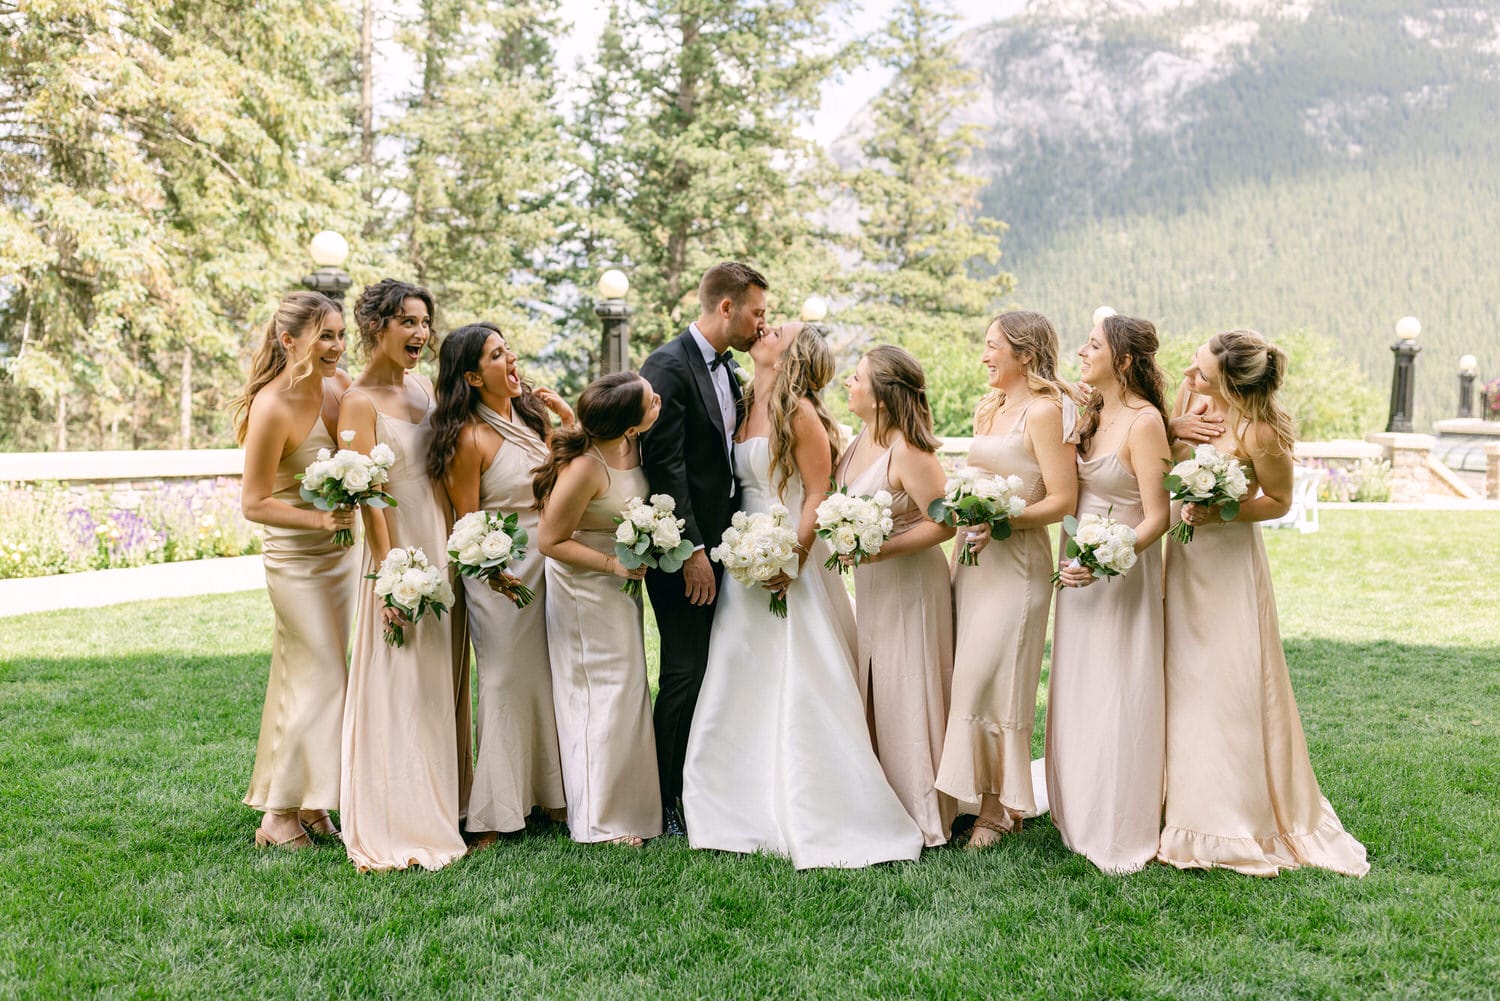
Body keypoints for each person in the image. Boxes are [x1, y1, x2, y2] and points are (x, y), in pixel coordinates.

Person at [683, 322, 924, 869]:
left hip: (790, 550)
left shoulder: (801, 414)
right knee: (739, 669)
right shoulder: (743, 401)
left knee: (801, 671)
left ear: (790, 354)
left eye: (776, 329)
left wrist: (790, 556)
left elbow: (818, 491)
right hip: (743, 553)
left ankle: (821, 803)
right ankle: (727, 799)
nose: (763, 328)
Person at [1158, 330, 1368, 876]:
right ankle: (1167, 803)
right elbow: (1163, 456)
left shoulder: (1262, 433)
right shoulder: (1190, 405)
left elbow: (1276, 502)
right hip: (1181, 561)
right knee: (1178, 676)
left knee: (1225, 683)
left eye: (1200, 373)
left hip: (1228, 567)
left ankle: (1227, 813)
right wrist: (1173, 428)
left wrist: (1221, 509)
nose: (1188, 377)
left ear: (1229, 380)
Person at [933, 311, 1077, 849]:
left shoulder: (1045, 412)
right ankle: (976, 796)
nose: (984, 355)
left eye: (993, 346)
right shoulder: (989, 407)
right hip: (971, 563)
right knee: (967, 678)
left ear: (1024, 352)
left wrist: (1001, 521)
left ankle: (999, 809)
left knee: (994, 682)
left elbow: (1064, 499)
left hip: (1016, 567)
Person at [337, 278, 467, 872]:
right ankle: (399, 813)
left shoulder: (422, 388)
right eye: (407, 323)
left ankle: (446, 800)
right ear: (376, 328)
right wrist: (391, 576)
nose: (420, 333)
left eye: (424, 323)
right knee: (400, 676)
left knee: (437, 676)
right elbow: (369, 496)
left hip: (439, 540)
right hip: (399, 550)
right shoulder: (358, 402)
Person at [429, 322, 574, 845]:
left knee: (547, 676)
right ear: (471, 376)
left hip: (549, 560)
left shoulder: (530, 419)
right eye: (496, 354)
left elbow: (564, 476)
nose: (511, 359)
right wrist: (494, 574)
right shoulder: (468, 438)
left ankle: (552, 794)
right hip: (499, 575)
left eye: (508, 349)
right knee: (504, 681)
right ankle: (494, 810)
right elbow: (465, 523)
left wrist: (565, 419)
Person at [639, 261, 768, 837]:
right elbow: (664, 465)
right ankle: (667, 800)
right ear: (726, 308)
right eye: (757, 312)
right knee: (685, 671)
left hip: (728, 545)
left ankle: (708, 782)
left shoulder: (732, 369)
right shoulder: (667, 366)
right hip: (684, 551)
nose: (762, 323)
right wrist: (692, 551)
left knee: (716, 669)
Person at [1046, 313, 1172, 874]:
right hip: (1076, 565)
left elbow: (1159, 515)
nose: (1080, 351)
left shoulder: (1144, 423)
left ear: (1122, 360)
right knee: (1079, 683)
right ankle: (1077, 806)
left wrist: (1106, 560)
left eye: (1092, 345)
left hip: (1121, 570)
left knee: (1120, 687)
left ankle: (1117, 818)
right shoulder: (1091, 412)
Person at [234, 291, 358, 849]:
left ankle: (311, 804)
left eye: (339, 335)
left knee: (311, 678)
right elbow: (254, 502)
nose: (336, 347)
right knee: (322, 674)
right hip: (296, 560)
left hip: (342, 557)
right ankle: (278, 816)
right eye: (325, 336)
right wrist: (319, 522)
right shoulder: (272, 407)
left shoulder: (341, 388)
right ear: (290, 341)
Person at [534, 372, 663, 846]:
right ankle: (599, 821)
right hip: (584, 586)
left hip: (621, 585)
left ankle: (631, 807)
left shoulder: (635, 447)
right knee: (596, 696)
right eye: (651, 402)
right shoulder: (586, 469)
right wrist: (611, 564)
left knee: (628, 690)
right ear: (628, 426)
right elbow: (549, 540)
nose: (659, 402)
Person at [835, 345, 955, 847]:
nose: (848, 383)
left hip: (911, 583)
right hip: (874, 582)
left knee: (909, 682)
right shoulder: (859, 436)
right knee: (879, 680)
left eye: (857, 377)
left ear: (882, 397)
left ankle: (923, 806)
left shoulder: (909, 449)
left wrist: (880, 551)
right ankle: (881, 793)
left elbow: (943, 523)